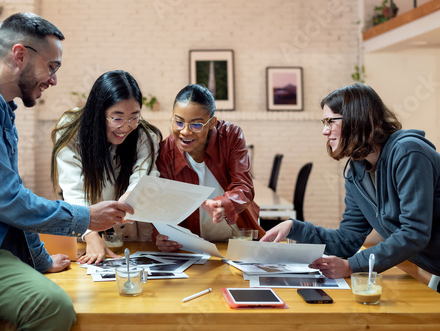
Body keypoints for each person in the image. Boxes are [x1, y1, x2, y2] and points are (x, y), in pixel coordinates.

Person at [0, 13, 134, 331]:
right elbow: (6, 200)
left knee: (54, 308)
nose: (54, 79)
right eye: (52, 66)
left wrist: (41, 260)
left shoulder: (2, 106)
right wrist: (86, 218)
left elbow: (11, 195)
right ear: (19, 56)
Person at [260, 83, 440, 291]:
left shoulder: (409, 153)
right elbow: (347, 240)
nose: (324, 131)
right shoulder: (357, 170)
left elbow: (414, 233)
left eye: (330, 121)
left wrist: (352, 266)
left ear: (356, 119)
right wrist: (295, 228)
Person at [51, 70, 162, 264]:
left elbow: (143, 178)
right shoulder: (72, 130)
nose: (126, 127)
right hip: (86, 235)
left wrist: (131, 198)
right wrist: (91, 233)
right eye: (117, 118)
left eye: (134, 117)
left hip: (129, 235)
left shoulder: (145, 136)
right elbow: (73, 188)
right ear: (98, 113)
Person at [155, 84, 264, 252]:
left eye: (196, 125)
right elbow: (163, 204)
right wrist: (160, 236)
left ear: (212, 122)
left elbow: (245, 188)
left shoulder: (231, 136)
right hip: (193, 245)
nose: (185, 131)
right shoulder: (166, 151)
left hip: (237, 238)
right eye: (178, 122)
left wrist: (223, 204)